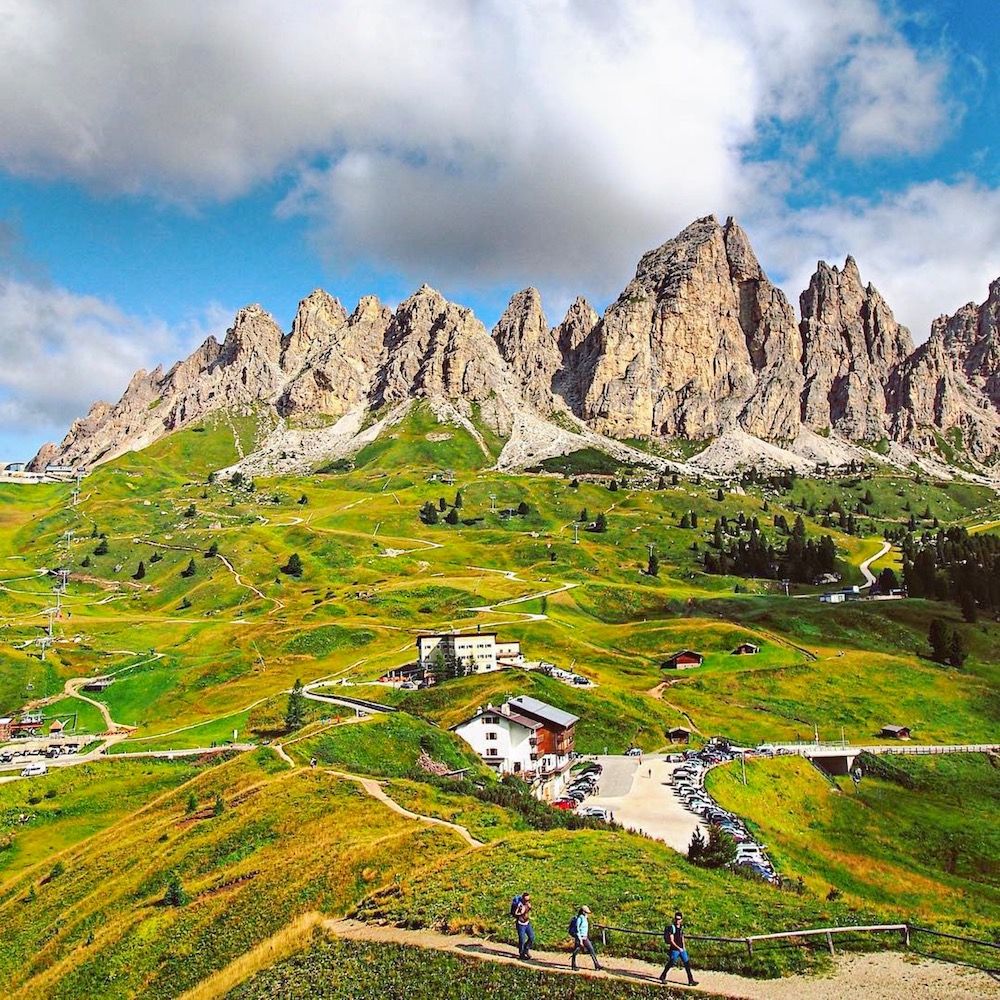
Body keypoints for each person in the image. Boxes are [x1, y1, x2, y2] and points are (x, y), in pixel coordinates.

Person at [660, 911, 698, 986]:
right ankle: (663, 976)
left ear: (681, 920)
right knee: (671, 963)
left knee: (687, 964)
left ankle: (691, 980)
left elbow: (682, 937)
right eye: (676, 919)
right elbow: (671, 941)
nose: (677, 920)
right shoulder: (672, 928)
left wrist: (683, 947)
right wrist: (679, 948)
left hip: (681, 949)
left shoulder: (681, 927)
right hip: (675, 950)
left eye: (679, 919)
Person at [570, 904, 602, 971]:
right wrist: (580, 940)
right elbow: (577, 929)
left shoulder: (585, 918)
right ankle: (573, 965)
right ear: (583, 912)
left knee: (591, 950)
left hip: (585, 937)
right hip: (580, 938)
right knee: (576, 951)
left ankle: (597, 965)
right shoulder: (579, 918)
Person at [514, 892, 535, 960]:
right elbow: (515, 913)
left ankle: (526, 949)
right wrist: (520, 912)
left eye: (528, 900)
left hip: (527, 923)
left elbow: (529, 910)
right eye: (526, 900)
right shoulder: (520, 905)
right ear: (523, 899)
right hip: (520, 924)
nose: (527, 901)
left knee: (531, 937)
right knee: (522, 939)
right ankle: (521, 953)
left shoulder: (528, 904)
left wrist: (530, 908)